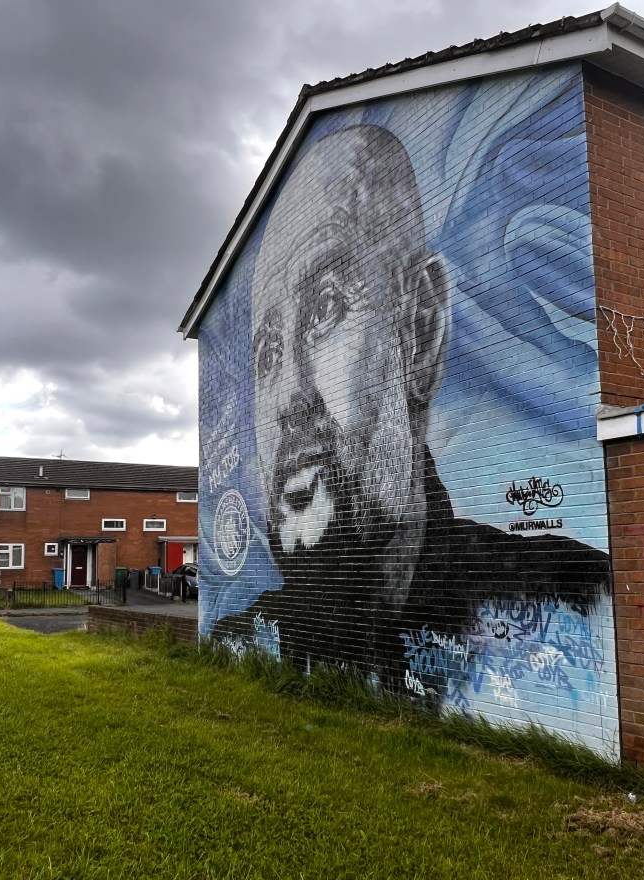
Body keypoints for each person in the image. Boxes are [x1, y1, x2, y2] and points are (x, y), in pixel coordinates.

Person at [213, 124, 609, 693]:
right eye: (268, 354)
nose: (290, 397)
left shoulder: (573, 598)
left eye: (326, 308)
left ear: (420, 328)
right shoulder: (239, 644)